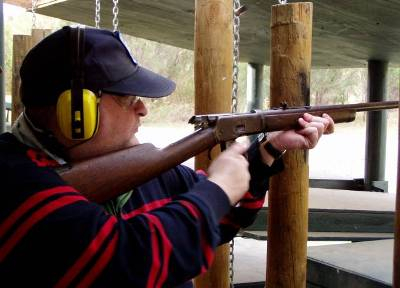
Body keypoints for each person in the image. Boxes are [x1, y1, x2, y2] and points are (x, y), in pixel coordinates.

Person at [0, 26, 334, 287]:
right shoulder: (13, 181)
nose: (143, 108)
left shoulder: (136, 168)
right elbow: (126, 261)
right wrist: (216, 189)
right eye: (129, 98)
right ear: (76, 113)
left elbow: (220, 219)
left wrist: (268, 149)